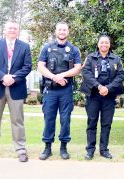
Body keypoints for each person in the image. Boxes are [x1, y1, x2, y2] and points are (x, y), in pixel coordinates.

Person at [0, 21, 32, 162]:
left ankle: (21, 150)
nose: (12, 30)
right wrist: (3, 77)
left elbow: (27, 66)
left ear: (18, 31)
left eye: (15, 28)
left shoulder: (25, 47)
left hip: (16, 88)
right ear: (5, 30)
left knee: (17, 121)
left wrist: (13, 78)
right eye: (10, 28)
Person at [38, 22, 82, 160]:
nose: (62, 32)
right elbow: (40, 66)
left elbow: (77, 68)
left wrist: (62, 76)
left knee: (65, 119)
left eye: (64, 29)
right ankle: (47, 148)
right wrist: (54, 78)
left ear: (68, 32)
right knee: (49, 118)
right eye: (60, 29)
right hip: (50, 90)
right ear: (56, 31)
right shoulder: (47, 48)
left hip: (66, 90)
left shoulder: (74, 49)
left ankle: (63, 147)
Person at [81, 34, 124, 160]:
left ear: (109, 45)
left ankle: (104, 150)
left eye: (106, 42)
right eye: (102, 42)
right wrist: (99, 86)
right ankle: (90, 150)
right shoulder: (91, 57)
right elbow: (86, 73)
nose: (104, 44)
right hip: (93, 95)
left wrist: (108, 88)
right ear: (98, 44)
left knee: (106, 124)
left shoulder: (116, 59)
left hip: (109, 97)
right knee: (92, 123)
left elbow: (120, 75)